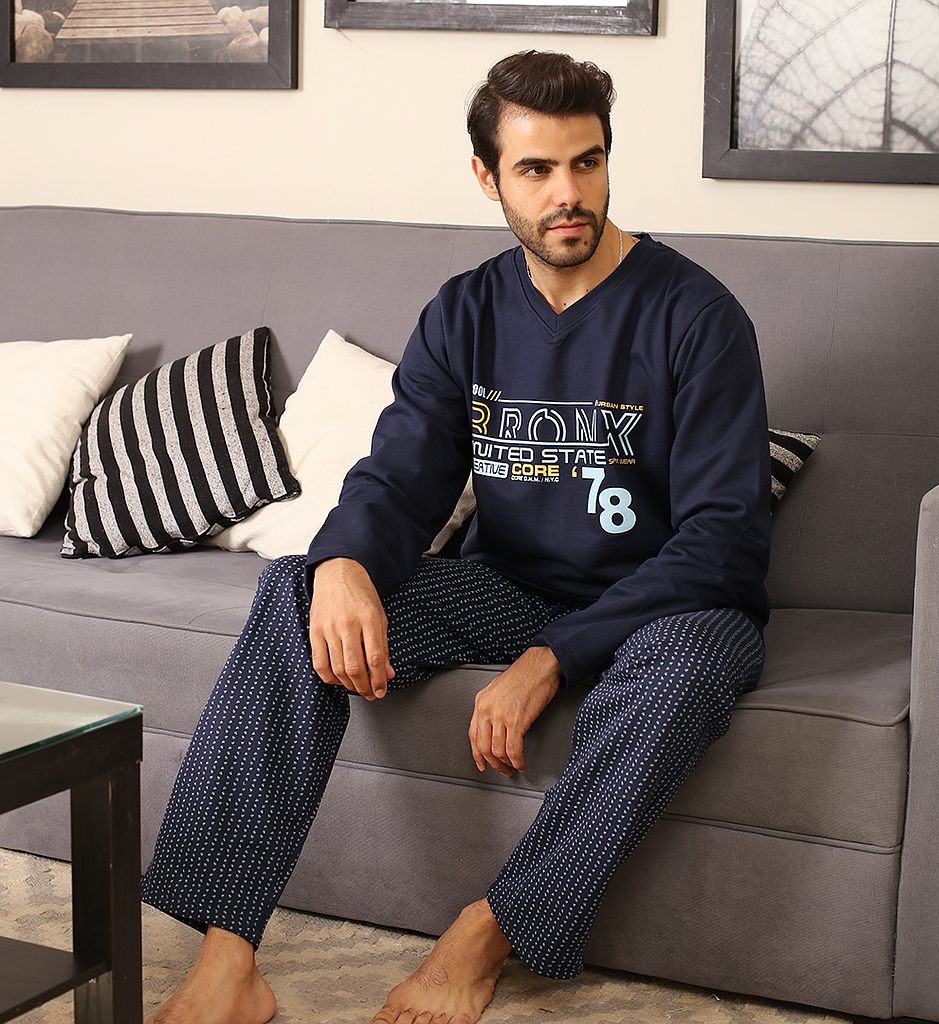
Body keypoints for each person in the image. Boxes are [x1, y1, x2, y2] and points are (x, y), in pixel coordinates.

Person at [140, 49, 772, 1024]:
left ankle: (485, 931)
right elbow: (401, 477)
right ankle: (230, 960)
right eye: (536, 169)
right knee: (297, 588)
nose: (569, 194)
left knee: (688, 670)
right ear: (487, 176)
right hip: (509, 587)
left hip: (669, 605)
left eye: (587, 162)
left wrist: (551, 658)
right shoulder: (466, 311)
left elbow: (724, 539)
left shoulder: (696, 315)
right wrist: (342, 563)